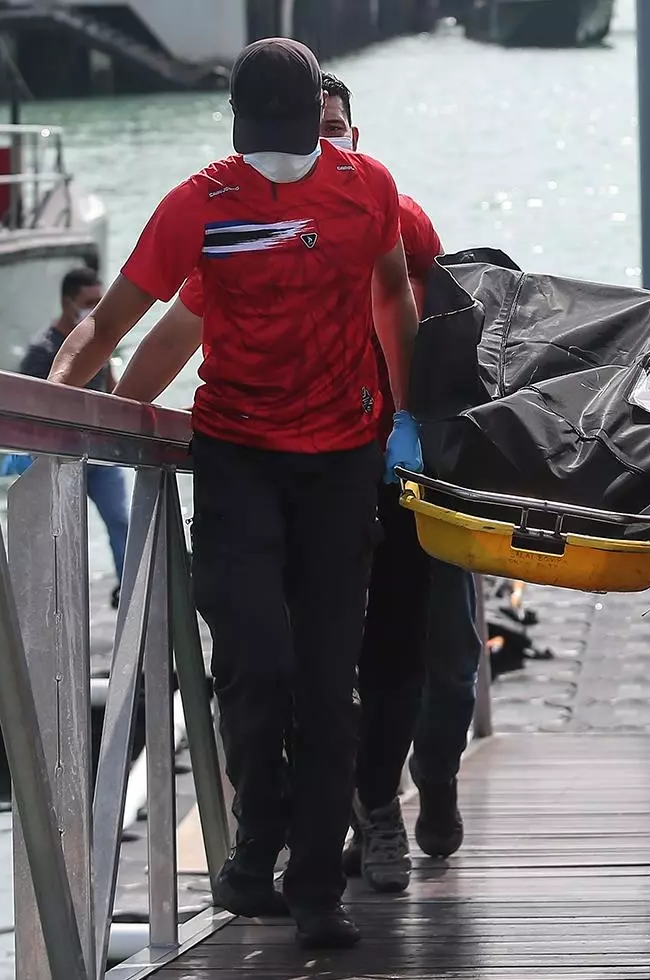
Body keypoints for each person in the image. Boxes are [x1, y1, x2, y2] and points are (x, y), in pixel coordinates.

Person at [44, 38, 422, 950]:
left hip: (340, 461)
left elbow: (394, 297)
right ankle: (259, 843)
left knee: (331, 686)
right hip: (238, 457)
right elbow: (117, 320)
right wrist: (51, 406)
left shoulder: (369, 189)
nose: (282, 150)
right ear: (241, 128)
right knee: (256, 657)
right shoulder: (200, 203)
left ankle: (316, 884)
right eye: (268, 135)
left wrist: (411, 419)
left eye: (296, 134)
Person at [115, 71, 485, 897]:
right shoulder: (235, 219)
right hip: (285, 458)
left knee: (417, 657)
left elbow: (432, 309)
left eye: (332, 124)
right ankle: (288, 831)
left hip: (395, 456)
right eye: (304, 122)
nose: (314, 139)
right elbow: (181, 322)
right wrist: (100, 418)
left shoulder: (389, 208)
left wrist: (414, 419)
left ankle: (392, 797)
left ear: (352, 131)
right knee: (279, 659)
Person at [13, 267, 130, 608]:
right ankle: (47, 597)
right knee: (56, 532)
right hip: (59, 455)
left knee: (121, 519)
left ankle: (131, 588)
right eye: (89, 301)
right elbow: (27, 405)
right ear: (68, 302)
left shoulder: (101, 341)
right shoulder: (41, 351)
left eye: (101, 300)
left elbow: (110, 386)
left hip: (100, 453)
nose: (97, 307)